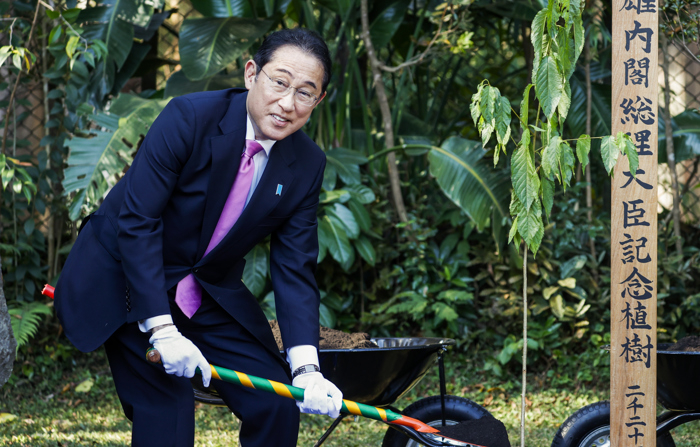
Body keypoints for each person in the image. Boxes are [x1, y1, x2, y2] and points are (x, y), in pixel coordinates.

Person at [54, 28, 343, 447]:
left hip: (201, 292)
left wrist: (307, 370)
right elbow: (137, 222)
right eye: (279, 82)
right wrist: (163, 330)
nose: (286, 103)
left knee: (276, 402)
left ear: (316, 102)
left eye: (304, 92)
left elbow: (294, 268)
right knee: (168, 413)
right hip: (127, 276)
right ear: (251, 74)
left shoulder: (306, 163)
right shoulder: (189, 117)